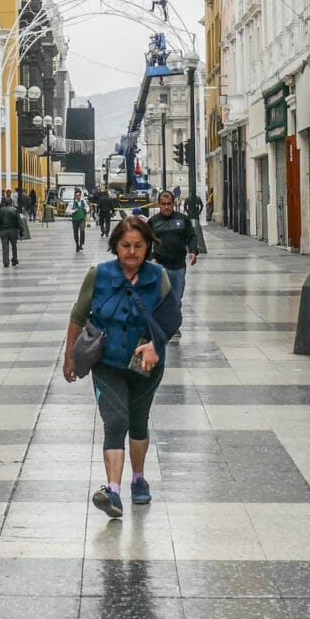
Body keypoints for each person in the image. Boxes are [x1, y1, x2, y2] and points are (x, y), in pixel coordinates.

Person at [64, 213, 179, 518]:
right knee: (115, 421)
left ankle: (138, 479)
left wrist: (156, 345)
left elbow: (172, 319)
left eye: (138, 245)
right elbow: (78, 316)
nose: (132, 252)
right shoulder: (98, 275)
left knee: (138, 422)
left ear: (147, 247)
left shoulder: (159, 277)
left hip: (146, 365)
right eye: (126, 245)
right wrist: (70, 357)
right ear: (115, 245)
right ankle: (112, 491)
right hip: (108, 363)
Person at [148, 190, 196, 335]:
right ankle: (161, 325)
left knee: (176, 298)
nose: (166, 207)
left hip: (178, 266)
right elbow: (144, 242)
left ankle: (174, 326)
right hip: (160, 265)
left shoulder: (183, 219)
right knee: (161, 297)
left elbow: (192, 236)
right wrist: (151, 258)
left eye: (169, 204)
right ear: (159, 204)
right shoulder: (153, 222)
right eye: (163, 204)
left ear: (173, 204)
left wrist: (193, 251)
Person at [0, 188, 23, 268]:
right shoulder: (15, 210)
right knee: (14, 245)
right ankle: (14, 259)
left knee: (5, 247)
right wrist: (21, 232)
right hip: (13, 230)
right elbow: (19, 222)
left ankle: (6, 262)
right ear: (11, 202)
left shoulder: (1, 211)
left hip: (3, 231)